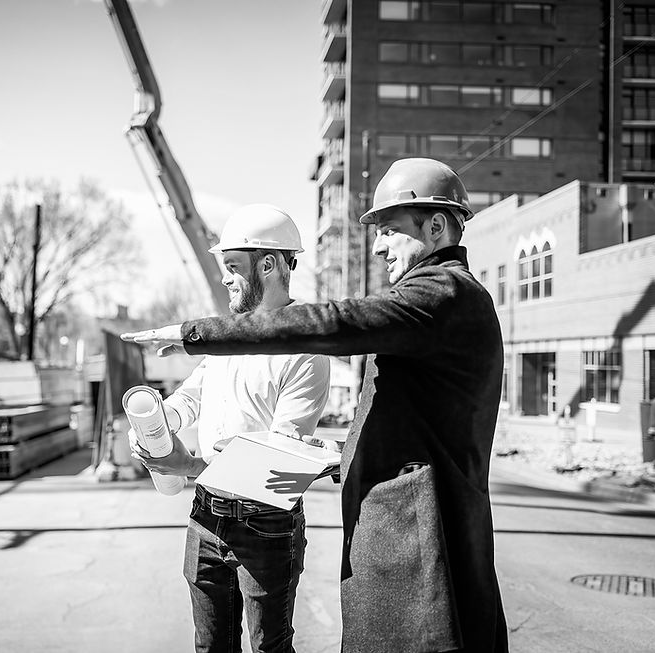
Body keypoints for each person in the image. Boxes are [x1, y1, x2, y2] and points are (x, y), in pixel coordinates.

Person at [123, 158, 509, 653]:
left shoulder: (443, 293)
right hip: (396, 536)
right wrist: (336, 452)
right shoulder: (441, 302)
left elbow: (336, 322)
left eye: (389, 230)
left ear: (435, 225)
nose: (377, 245)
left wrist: (193, 335)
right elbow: (414, 423)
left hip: (416, 543)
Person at [130, 204, 330, 653]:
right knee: (210, 647)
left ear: (269, 264)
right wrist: (157, 422)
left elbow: (278, 467)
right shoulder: (230, 339)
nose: (224, 278)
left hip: (266, 527)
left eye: (233, 267)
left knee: (269, 648)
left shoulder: (306, 353)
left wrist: (186, 464)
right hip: (205, 520)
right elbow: (190, 396)